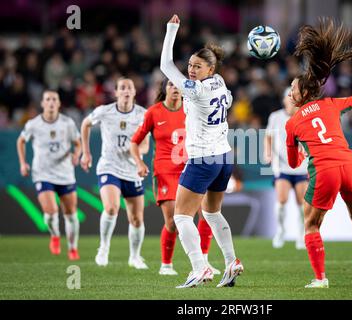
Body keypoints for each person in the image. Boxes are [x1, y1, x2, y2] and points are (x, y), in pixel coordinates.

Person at [285, 18, 352, 288]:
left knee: (311, 224)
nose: (290, 94)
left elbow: (291, 162)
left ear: (303, 94)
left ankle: (320, 279)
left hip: (325, 171)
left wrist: (300, 156)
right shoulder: (332, 104)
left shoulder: (293, 123)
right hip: (349, 166)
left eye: (292, 90)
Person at [160, 14, 243, 288]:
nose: (191, 70)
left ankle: (200, 267)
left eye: (197, 66)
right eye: (190, 65)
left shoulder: (196, 91)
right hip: (223, 157)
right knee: (211, 212)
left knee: (181, 216)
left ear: (210, 69)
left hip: (203, 159)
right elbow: (228, 98)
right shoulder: (219, 82)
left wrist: (171, 30)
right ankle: (231, 262)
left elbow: (164, 65)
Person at [130, 78, 221, 276]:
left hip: (191, 168)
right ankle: (166, 265)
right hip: (165, 172)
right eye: (171, 85)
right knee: (173, 222)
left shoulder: (193, 109)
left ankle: (204, 261)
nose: (175, 89)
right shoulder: (154, 112)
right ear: (164, 89)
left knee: (206, 213)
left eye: (178, 86)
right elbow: (134, 142)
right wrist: (139, 163)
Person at [80, 78, 149, 269]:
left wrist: (136, 154)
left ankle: (134, 257)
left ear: (134, 92)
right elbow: (86, 124)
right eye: (122, 88)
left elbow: (145, 144)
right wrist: (86, 152)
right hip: (109, 166)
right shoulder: (105, 111)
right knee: (111, 208)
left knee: (136, 219)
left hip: (132, 170)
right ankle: (103, 248)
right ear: (116, 92)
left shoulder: (143, 115)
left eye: (129, 87)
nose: (126, 90)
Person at [17, 90, 81, 260]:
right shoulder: (34, 124)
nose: (51, 102)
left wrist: (77, 154)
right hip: (43, 173)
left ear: (59, 103)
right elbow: (21, 140)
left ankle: (72, 248)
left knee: (71, 212)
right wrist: (23, 163)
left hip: (65, 173)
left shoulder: (67, 123)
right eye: (48, 99)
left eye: (54, 99)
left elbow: (78, 142)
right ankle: (55, 235)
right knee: (51, 211)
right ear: (43, 103)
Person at [264, 88, 308, 250]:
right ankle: (281, 231)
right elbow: (268, 136)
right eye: (289, 98)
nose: (291, 101)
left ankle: (300, 235)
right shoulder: (275, 117)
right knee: (281, 200)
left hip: (301, 167)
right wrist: (267, 153)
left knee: (301, 203)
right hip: (281, 166)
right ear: (284, 100)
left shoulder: (304, 117)